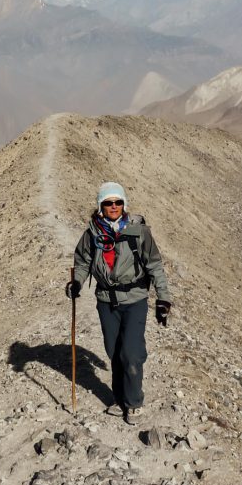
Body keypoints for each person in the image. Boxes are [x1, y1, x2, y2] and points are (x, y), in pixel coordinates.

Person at [66, 181, 172, 425]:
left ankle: (134, 402)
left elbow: (155, 265)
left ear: (124, 204)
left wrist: (163, 298)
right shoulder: (92, 233)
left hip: (135, 299)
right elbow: (82, 261)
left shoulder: (139, 232)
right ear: (100, 206)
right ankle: (119, 399)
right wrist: (78, 282)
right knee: (114, 353)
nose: (113, 206)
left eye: (118, 202)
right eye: (108, 203)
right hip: (105, 300)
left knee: (131, 354)